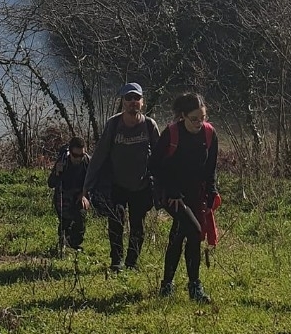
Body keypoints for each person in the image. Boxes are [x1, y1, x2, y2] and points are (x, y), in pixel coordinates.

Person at [83, 82, 160, 272]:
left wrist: (166, 186)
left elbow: (160, 158)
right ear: (123, 102)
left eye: (137, 98)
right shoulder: (114, 124)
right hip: (116, 184)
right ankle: (116, 262)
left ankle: (132, 263)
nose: (133, 101)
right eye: (128, 98)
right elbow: (99, 155)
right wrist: (86, 187)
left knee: (137, 228)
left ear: (142, 102)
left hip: (141, 185)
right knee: (116, 223)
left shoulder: (149, 126)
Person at [149, 92, 217, 301]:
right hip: (171, 194)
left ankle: (167, 284)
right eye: (194, 119)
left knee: (179, 236)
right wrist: (172, 191)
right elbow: (154, 166)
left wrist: (212, 191)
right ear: (183, 116)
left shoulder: (209, 134)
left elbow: (211, 168)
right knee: (195, 232)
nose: (199, 123)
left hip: (195, 194)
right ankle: (195, 287)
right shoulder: (171, 134)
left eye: (202, 118)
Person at [48, 136, 90, 251]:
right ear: (70, 152)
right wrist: (57, 173)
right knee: (65, 223)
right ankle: (63, 243)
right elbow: (51, 183)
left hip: (79, 196)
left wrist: (84, 194)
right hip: (63, 196)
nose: (78, 158)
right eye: (75, 155)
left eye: (81, 155)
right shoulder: (62, 162)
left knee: (80, 220)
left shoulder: (87, 161)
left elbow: (93, 182)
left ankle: (74, 244)